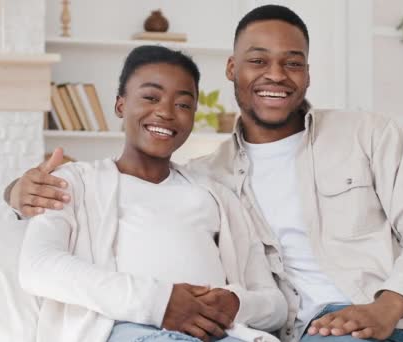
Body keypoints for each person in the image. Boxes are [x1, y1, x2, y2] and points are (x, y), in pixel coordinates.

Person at [7, 5, 403, 342]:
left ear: (308, 73)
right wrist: (16, 191)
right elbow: (138, 197)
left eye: (292, 63)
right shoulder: (209, 179)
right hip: (324, 330)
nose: (275, 75)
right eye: (258, 61)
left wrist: (389, 305)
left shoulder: (366, 133)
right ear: (232, 70)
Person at [17, 45, 287, 342]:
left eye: (184, 105)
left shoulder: (217, 196)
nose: (166, 112)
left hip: (220, 334)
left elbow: (274, 305)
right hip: (128, 330)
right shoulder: (74, 182)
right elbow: (37, 266)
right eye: (150, 97)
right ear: (121, 105)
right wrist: (160, 303)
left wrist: (236, 305)